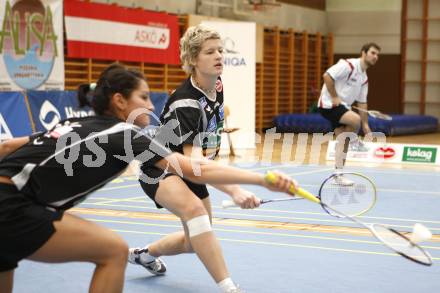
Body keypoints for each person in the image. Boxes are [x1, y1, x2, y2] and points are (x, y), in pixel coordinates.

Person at [0, 64, 296, 293]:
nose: (152, 106)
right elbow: (193, 167)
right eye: (143, 97)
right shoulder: (125, 135)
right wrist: (260, 179)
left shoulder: (71, 122)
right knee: (114, 251)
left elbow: (6, 146)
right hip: (12, 206)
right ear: (119, 100)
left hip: (15, 203)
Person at [128, 25, 261, 293]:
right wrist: (234, 190)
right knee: (197, 214)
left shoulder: (216, 83)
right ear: (192, 59)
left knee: (194, 241)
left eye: (221, 50)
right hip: (160, 169)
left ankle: (143, 254)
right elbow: (195, 167)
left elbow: (199, 159)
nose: (219, 56)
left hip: (189, 167)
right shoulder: (186, 103)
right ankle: (229, 288)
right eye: (210, 52)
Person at [317, 42, 380, 185]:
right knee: (354, 119)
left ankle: (337, 175)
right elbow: (327, 76)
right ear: (363, 53)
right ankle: (355, 141)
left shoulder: (364, 78)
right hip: (329, 104)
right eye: (372, 53)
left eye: (377, 55)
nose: (375, 57)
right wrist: (334, 96)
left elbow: (362, 103)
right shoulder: (348, 65)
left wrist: (366, 125)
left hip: (342, 108)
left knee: (342, 141)